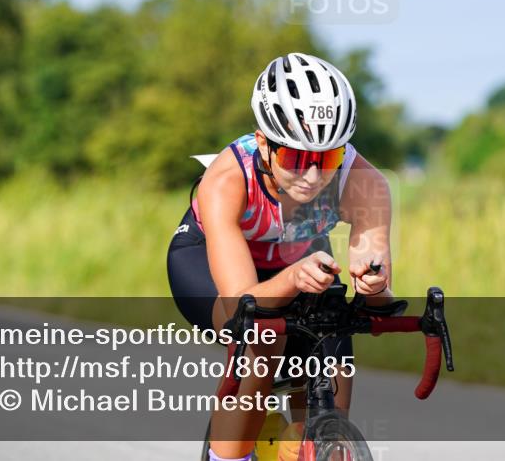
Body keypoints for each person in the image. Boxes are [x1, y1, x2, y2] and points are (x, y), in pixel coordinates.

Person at [167, 52, 394, 461]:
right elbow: (239, 303)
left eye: (327, 158)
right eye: (295, 158)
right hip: (208, 261)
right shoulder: (226, 180)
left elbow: (377, 291)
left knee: (331, 332)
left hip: (297, 255)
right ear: (263, 143)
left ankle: (322, 444)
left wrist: (374, 283)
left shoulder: (364, 183)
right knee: (263, 335)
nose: (312, 176)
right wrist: (290, 281)